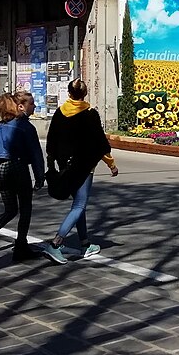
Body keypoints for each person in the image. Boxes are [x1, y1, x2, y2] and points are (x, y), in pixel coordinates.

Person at [42, 79, 118, 264]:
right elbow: (100, 143)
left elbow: (51, 141)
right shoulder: (90, 114)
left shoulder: (60, 113)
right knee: (79, 206)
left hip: (65, 165)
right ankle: (56, 243)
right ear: (85, 94)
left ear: (69, 93)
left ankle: (84, 244)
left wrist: (51, 163)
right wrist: (111, 164)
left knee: (78, 204)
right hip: (84, 166)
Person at [0, 92, 45, 264]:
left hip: (2, 169)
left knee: (10, 209)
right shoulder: (26, 127)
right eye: (31, 104)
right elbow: (35, 155)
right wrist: (39, 177)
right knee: (25, 209)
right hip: (19, 167)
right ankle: (20, 247)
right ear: (18, 106)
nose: (33, 107)